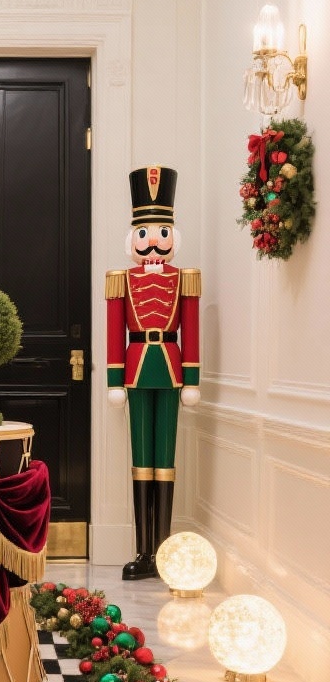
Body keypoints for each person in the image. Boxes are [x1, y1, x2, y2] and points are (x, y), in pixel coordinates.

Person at [106, 165, 200, 580]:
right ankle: (142, 552)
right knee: (141, 462)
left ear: (172, 236)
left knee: (166, 461)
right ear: (134, 238)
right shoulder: (120, 279)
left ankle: (162, 553)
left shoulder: (185, 279)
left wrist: (192, 379)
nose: (154, 242)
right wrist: (114, 380)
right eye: (146, 234)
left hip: (172, 369)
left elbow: (192, 329)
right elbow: (114, 333)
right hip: (137, 369)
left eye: (162, 233)